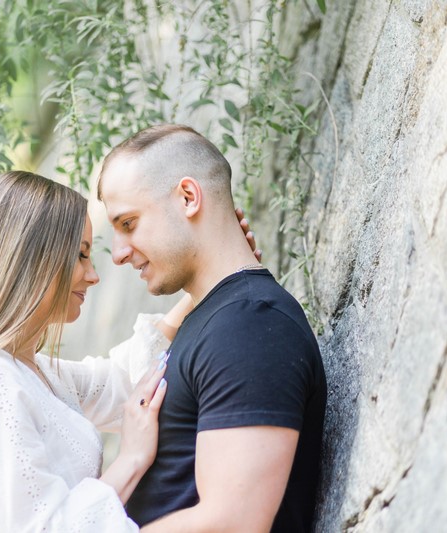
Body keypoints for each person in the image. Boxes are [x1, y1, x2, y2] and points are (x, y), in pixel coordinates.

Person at [0, 170, 259, 533]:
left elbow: (124, 381)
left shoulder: (33, 373)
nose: (93, 274)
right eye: (81, 256)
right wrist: (130, 459)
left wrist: (206, 283)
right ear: (32, 262)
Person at [97, 124, 327, 532]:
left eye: (128, 224)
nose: (117, 254)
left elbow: (233, 521)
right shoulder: (220, 320)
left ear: (188, 197)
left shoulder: (251, 326)